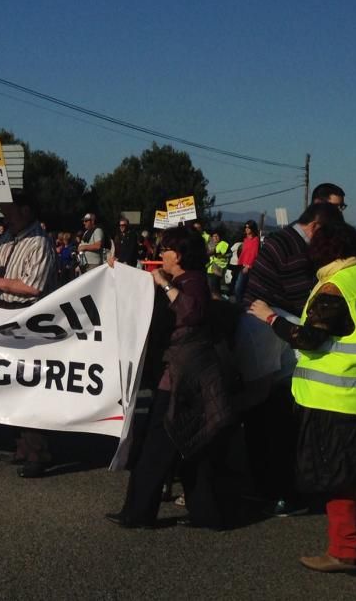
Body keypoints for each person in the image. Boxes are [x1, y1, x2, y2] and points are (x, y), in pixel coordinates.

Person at [248, 221, 356, 573]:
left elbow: (308, 338)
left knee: (335, 474)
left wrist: (269, 317)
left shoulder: (334, 285)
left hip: (335, 397)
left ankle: (344, 549)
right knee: (354, 469)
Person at [107, 226, 233, 529]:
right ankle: (206, 513)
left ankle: (138, 513)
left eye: (165, 249)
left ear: (177, 255)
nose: (159, 254)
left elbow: (191, 313)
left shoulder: (194, 282)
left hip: (181, 378)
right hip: (188, 377)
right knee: (192, 445)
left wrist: (164, 284)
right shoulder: (183, 281)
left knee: (156, 448)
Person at [239, 202, 345, 516]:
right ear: (315, 227)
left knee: (271, 409)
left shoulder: (288, 241)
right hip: (264, 329)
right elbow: (305, 298)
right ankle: (273, 487)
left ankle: (272, 484)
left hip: (271, 328)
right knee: (267, 409)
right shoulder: (291, 246)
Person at [0, 190, 58, 478]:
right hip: (5, 314)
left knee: (29, 387)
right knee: (11, 385)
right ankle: (21, 446)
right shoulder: (7, 237)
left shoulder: (40, 243)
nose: (4, 215)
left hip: (29, 320)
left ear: (26, 211)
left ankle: (38, 451)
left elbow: (34, 286)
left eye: (9, 210)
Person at [233, 220, 260, 304]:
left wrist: (248, 266)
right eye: (246, 227)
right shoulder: (245, 239)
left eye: (248, 227)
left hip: (247, 267)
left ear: (252, 228)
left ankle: (239, 305)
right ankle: (240, 304)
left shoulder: (255, 240)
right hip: (241, 265)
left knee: (239, 287)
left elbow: (254, 254)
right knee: (239, 287)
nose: (246, 229)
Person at [206, 231, 230, 298]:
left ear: (220, 237)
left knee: (215, 288)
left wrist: (212, 252)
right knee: (211, 287)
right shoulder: (211, 244)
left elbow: (221, 254)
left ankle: (218, 301)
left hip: (218, 268)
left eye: (217, 236)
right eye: (214, 236)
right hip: (210, 268)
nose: (215, 237)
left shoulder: (223, 243)